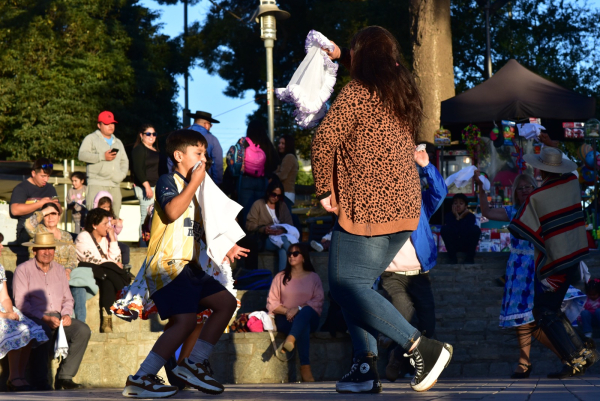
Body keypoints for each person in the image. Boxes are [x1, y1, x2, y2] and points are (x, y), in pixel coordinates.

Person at [313, 26, 452, 394]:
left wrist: (325, 189)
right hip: (406, 208)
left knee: (346, 284)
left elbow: (325, 139)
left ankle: (421, 346)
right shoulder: (401, 95)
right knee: (357, 287)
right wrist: (341, 55)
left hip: (368, 206)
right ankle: (363, 366)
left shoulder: (357, 92)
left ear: (362, 57)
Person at [122, 129, 247, 398]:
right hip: (167, 265)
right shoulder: (168, 180)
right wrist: (193, 183)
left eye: (205, 153)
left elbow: (205, 227)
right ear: (179, 156)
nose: (205, 159)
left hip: (190, 267)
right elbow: (172, 211)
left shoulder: (199, 188)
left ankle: (193, 363)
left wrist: (228, 245)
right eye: (198, 153)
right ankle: (142, 377)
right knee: (185, 320)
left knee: (225, 303)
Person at [509, 147, 598, 378]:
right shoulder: (571, 184)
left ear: (540, 169)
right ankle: (579, 354)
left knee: (543, 310)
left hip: (555, 262)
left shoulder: (537, 197)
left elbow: (519, 228)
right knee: (552, 309)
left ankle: (575, 358)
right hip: (574, 256)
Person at [475, 171, 567, 378]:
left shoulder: (543, 211)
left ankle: (567, 355)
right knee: (521, 318)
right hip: (517, 269)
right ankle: (526, 361)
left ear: (536, 189)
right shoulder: (514, 211)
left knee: (535, 318)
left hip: (538, 267)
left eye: (529, 187)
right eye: (521, 188)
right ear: (515, 193)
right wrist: (481, 190)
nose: (525, 191)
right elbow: (487, 212)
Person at [382, 148, 447, 382]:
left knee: (428, 325)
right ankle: (402, 358)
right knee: (405, 317)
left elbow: (440, 192)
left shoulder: (421, 206)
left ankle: (399, 357)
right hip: (392, 275)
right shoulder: (382, 205)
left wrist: (426, 166)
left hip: (419, 274)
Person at [13, 232, 92, 390]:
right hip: (33, 318)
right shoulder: (22, 270)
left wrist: (67, 314)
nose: (47, 252)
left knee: (82, 330)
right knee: (43, 331)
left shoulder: (60, 269)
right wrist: (44, 318)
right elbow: (21, 303)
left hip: (58, 317)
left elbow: (68, 299)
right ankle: (40, 380)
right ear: (34, 250)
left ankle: (65, 377)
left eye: (50, 248)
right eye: (43, 249)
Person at [24, 202, 91, 323]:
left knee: (79, 288)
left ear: (59, 216)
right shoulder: (38, 231)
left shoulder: (66, 235)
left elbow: (72, 258)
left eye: (53, 214)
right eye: (47, 215)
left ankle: (80, 324)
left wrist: (68, 269)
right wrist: (44, 210)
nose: (50, 217)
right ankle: (67, 324)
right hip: (43, 273)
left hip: (65, 275)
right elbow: (28, 224)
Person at [266, 243, 324, 382]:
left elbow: (318, 301)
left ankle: (291, 338)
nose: (291, 256)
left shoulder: (314, 277)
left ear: (303, 257)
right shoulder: (280, 277)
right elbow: (271, 303)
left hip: (310, 317)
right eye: (289, 254)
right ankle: (305, 368)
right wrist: (288, 311)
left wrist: (297, 309)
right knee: (303, 325)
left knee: (306, 312)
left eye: (295, 254)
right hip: (285, 319)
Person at [0, 232, 49, 392]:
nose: (1, 247)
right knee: (18, 330)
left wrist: (9, 311)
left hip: (3, 310)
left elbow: (5, 296)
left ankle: (20, 375)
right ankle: (13, 377)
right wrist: (5, 316)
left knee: (31, 328)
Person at [76, 208, 128, 333]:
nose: (108, 227)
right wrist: (113, 265)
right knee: (109, 270)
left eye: (109, 223)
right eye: (105, 224)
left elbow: (116, 259)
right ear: (94, 225)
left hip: (104, 275)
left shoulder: (107, 239)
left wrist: (113, 238)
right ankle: (125, 287)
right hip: (88, 271)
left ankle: (106, 321)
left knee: (107, 280)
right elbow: (93, 260)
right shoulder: (83, 237)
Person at [78, 110, 129, 218]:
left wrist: (121, 175)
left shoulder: (118, 142)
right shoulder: (91, 138)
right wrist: (102, 156)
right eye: (106, 123)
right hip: (97, 184)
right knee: (95, 218)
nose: (110, 126)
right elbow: (81, 155)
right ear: (99, 125)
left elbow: (124, 161)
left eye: (112, 123)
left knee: (114, 219)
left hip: (114, 185)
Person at [228, 120, 280, 225]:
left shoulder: (243, 142)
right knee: (261, 211)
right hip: (263, 181)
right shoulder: (267, 144)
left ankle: (246, 237)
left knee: (246, 211)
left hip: (245, 180)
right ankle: (259, 235)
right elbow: (275, 163)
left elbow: (234, 159)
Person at [245, 180, 295, 272]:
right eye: (273, 194)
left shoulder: (282, 206)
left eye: (279, 196)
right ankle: (300, 261)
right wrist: (263, 229)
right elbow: (249, 224)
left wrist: (282, 230)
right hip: (265, 238)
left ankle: (281, 280)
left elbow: (290, 224)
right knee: (285, 241)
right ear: (268, 192)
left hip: (280, 236)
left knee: (283, 251)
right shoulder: (258, 204)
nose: (276, 197)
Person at [9, 158, 61, 245]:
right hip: (27, 233)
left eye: (48, 176)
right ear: (33, 173)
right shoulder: (21, 188)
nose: (46, 179)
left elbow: (59, 210)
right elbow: (15, 210)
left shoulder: (50, 188)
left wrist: (56, 206)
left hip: (48, 231)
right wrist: (40, 204)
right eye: (43, 176)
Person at [131, 123, 167, 245]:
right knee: (145, 217)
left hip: (158, 186)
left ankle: (154, 244)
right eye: (148, 134)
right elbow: (138, 169)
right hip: (147, 188)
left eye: (154, 134)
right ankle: (143, 246)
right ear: (141, 135)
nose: (151, 136)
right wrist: (146, 186)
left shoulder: (156, 149)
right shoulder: (139, 149)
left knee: (157, 217)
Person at [94, 192, 131, 270]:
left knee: (125, 248)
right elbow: (101, 227)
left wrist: (118, 225)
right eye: (104, 207)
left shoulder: (110, 217)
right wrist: (110, 223)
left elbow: (116, 232)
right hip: (103, 242)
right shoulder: (96, 217)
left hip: (113, 242)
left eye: (108, 207)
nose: (107, 209)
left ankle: (125, 266)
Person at [440, 193, 481, 264]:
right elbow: (454, 230)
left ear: (465, 206)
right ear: (452, 205)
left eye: (461, 203)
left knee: (475, 229)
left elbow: (465, 230)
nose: (458, 206)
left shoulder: (470, 216)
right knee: (445, 229)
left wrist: (460, 218)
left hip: (466, 245)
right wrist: (456, 217)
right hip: (454, 245)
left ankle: (469, 259)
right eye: (455, 203)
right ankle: (452, 259)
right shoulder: (449, 216)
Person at [189, 111, 224, 186]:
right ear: (206, 125)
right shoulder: (212, 139)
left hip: (181, 181)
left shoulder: (180, 135)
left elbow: (170, 160)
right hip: (203, 182)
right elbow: (218, 163)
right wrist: (217, 184)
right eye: (210, 125)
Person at [275, 135, 299, 205]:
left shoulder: (289, 157)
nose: (280, 145)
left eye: (283, 144)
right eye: (279, 143)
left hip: (286, 194)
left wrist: (271, 177)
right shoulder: (287, 157)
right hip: (286, 194)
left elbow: (282, 175)